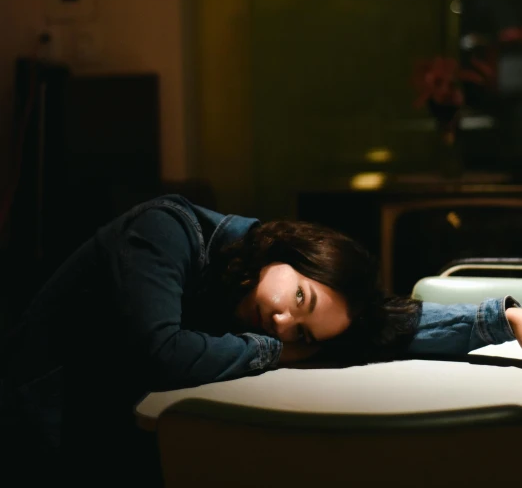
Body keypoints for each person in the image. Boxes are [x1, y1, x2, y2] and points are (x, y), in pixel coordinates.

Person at [1, 193, 521, 487]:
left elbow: (378, 324)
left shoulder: (266, 278)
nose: (282, 323)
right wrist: (280, 352)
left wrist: (503, 318)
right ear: (291, 252)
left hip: (120, 429)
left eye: (302, 333)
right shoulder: (163, 232)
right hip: (44, 436)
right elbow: (162, 353)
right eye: (299, 299)